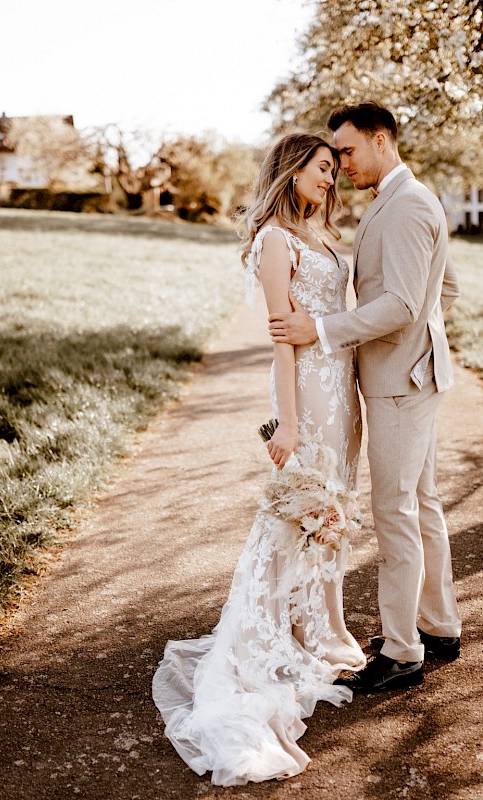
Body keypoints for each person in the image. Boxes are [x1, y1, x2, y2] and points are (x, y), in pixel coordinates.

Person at [151, 132, 366, 786]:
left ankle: (321, 625)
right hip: (308, 391)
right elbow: (281, 339)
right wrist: (291, 425)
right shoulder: (276, 239)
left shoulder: (318, 233)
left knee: (330, 508)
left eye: (334, 169)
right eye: (322, 169)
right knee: (297, 513)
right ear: (292, 169)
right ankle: (284, 634)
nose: (331, 179)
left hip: (341, 389)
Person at [269, 102, 462, 693]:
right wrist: (423, 344)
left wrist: (326, 332)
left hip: (399, 385)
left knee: (395, 512)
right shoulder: (401, 198)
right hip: (411, 376)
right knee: (421, 502)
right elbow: (443, 289)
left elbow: (405, 303)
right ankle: (438, 625)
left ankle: (404, 651)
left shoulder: (404, 206)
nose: (342, 164)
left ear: (381, 141)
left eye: (348, 151)